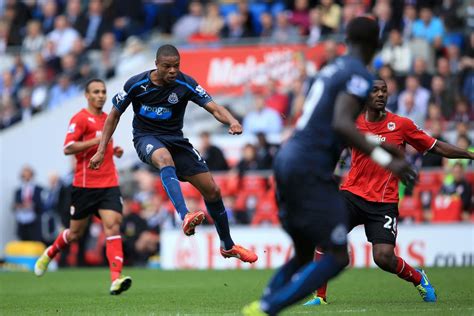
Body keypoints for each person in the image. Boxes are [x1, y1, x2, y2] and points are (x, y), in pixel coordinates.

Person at [243, 17, 416, 315]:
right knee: (336, 256)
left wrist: (379, 145)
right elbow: (341, 123)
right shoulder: (358, 74)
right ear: (377, 43)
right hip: (310, 166)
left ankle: (262, 305)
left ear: (346, 40)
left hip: (288, 159)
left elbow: (332, 122)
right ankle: (269, 308)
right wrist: (388, 159)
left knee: (303, 253)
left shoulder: (331, 69)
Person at [304, 79, 474, 306]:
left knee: (383, 258)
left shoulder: (401, 125)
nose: (381, 94)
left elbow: (436, 146)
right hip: (352, 194)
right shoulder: (352, 124)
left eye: (384, 90)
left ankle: (418, 277)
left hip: (383, 202)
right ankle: (320, 297)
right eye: (375, 90)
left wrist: (470, 154)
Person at [89, 44, 257, 264]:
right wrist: (102, 150)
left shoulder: (185, 83)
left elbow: (214, 107)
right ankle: (185, 214)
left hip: (177, 141)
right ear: (156, 65)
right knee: (164, 159)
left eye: (176, 66)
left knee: (213, 191)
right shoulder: (135, 84)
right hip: (146, 138)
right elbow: (113, 116)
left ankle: (228, 246)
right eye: (167, 66)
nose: (172, 71)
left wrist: (233, 121)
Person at [34, 79, 132, 296]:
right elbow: (68, 147)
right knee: (75, 234)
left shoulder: (108, 119)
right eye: (96, 92)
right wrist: (95, 143)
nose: (101, 95)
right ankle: (50, 252)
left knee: (113, 226)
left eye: (103, 91)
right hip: (85, 186)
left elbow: (105, 143)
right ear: (87, 95)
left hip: (109, 184)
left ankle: (116, 279)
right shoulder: (80, 119)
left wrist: (113, 149)